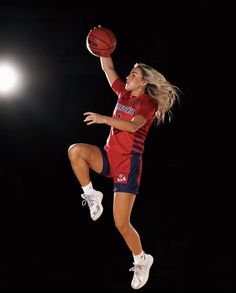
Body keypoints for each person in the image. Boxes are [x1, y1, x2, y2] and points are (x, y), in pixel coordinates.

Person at [68, 29, 180, 289]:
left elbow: (133, 126)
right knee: (76, 150)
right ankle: (91, 194)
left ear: (143, 82)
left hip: (127, 164)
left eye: (133, 75)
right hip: (108, 156)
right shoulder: (124, 94)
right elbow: (108, 67)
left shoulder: (147, 103)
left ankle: (141, 259)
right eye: (129, 73)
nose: (127, 77)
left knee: (121, 222)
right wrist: (99, 42)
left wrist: (105, 119)